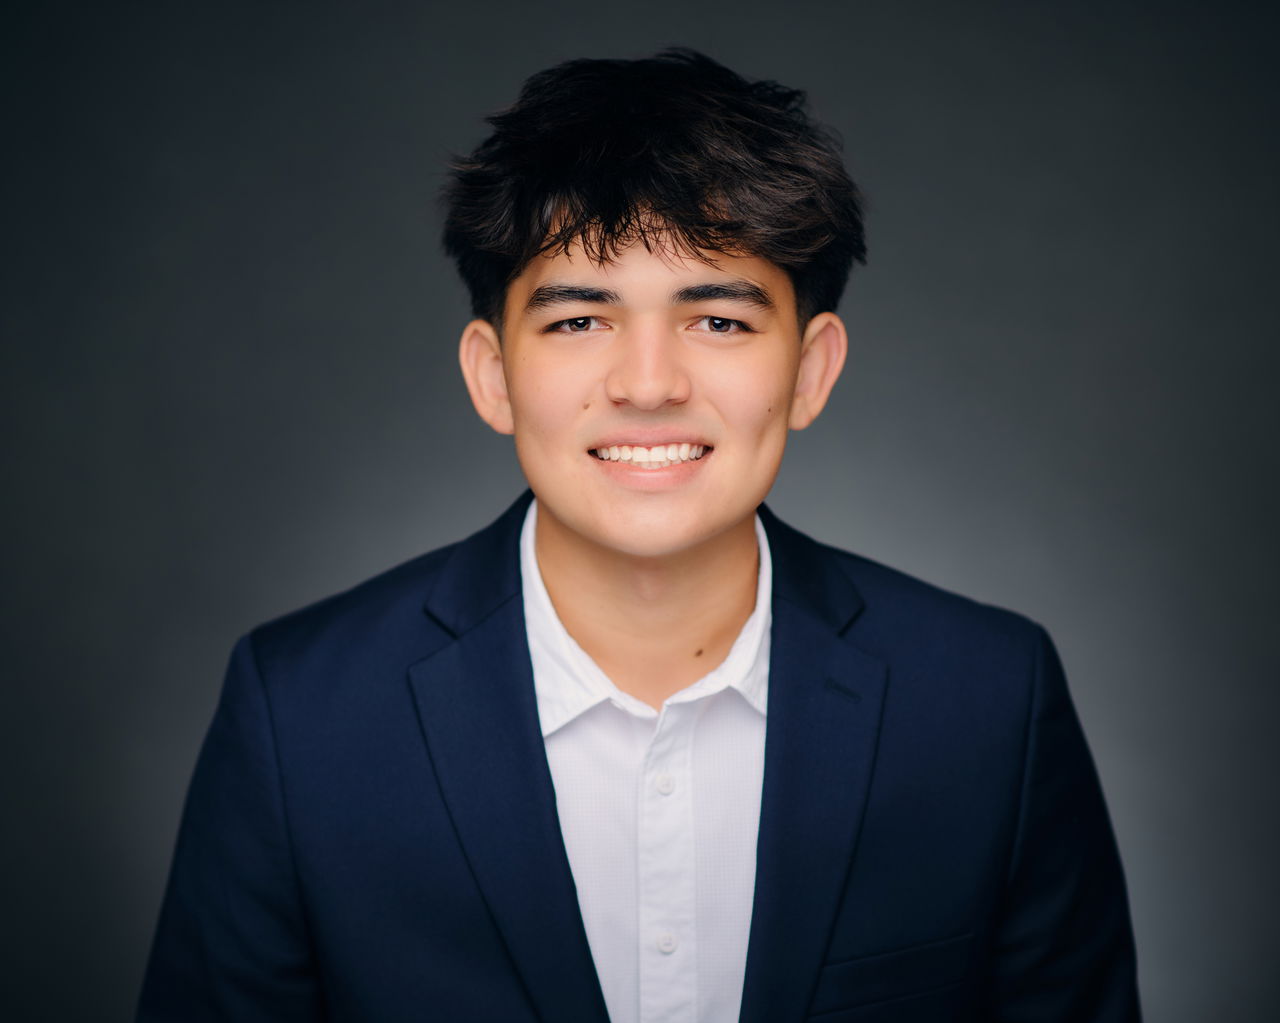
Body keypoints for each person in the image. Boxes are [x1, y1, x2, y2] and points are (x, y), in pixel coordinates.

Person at [137, 50, 1140, 1022]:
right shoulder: (300, 713)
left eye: (718, 321)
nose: (648, 384)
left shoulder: (986, 700)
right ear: (492, 374)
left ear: (809, 371)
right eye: (580, 321)